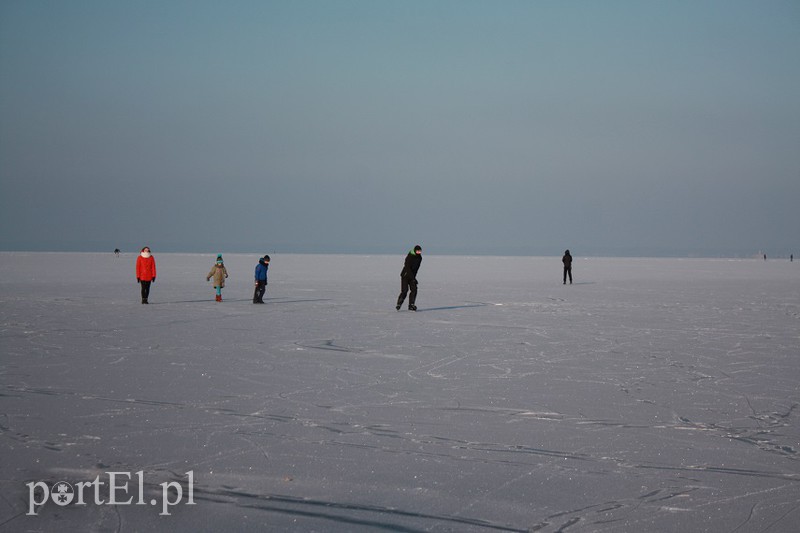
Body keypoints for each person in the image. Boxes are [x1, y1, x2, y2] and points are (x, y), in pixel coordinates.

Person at [396, 245, 422, 311]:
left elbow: (416, 269)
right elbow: (407, 268)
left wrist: (414, 278)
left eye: (420, 251)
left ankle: (411, 305)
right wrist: (413, 278)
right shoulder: (410, 256)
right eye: (418, 251)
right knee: (405, 291)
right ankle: (399, 303)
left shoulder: (419, 258)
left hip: (412, 276)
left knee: (414, 289)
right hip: (405, 275)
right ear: (415, 251)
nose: (419, 252)